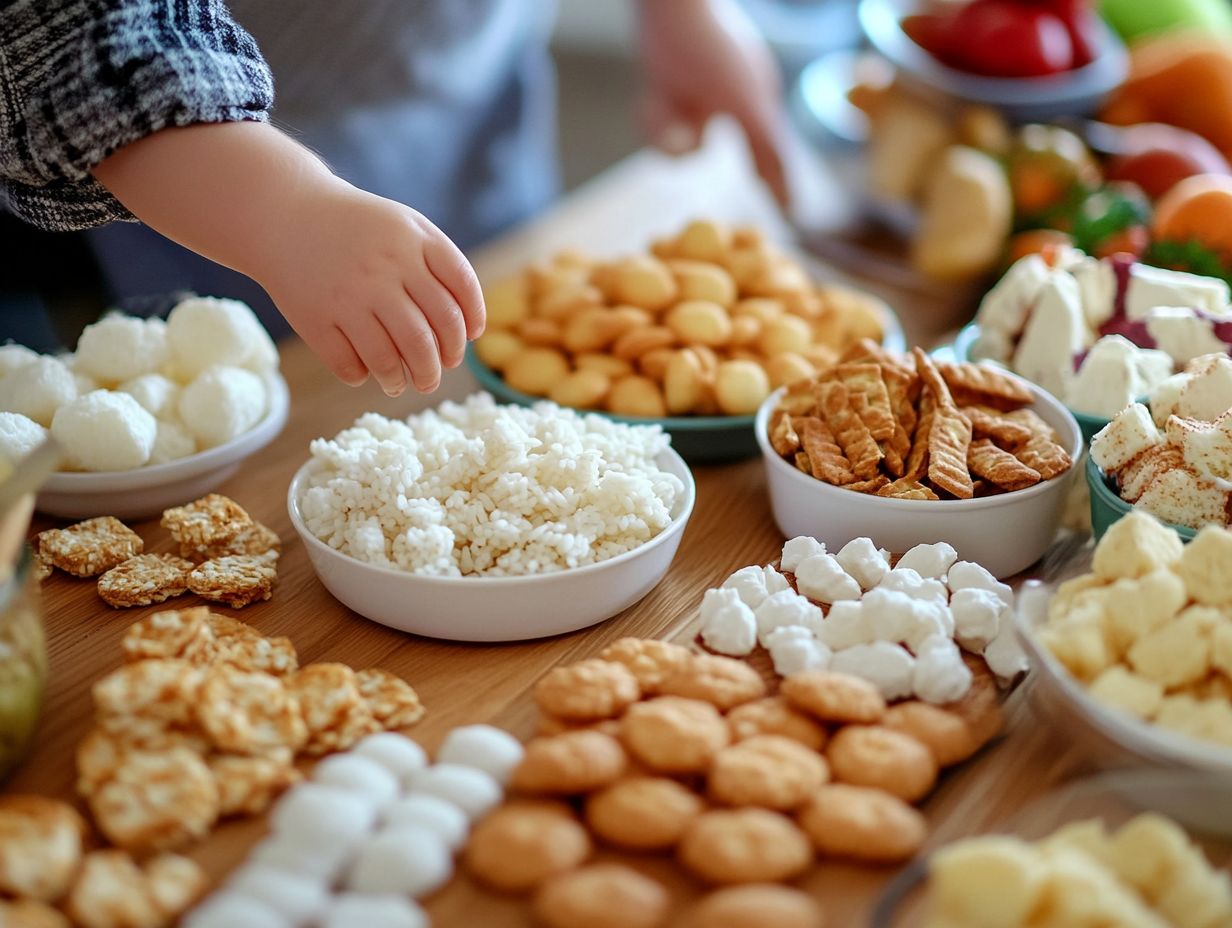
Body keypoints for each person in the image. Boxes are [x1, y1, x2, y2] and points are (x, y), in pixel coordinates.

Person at [0, 0, 787, 398]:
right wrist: (284, 214)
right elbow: (72, 31)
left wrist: (679, 9)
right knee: (266, 398)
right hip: (213, 160)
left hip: (473, 96)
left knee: (475, 339)